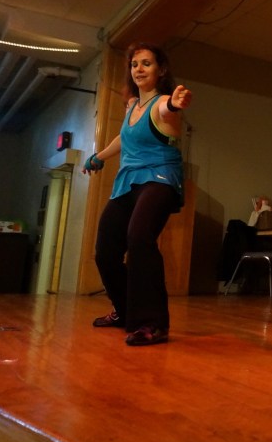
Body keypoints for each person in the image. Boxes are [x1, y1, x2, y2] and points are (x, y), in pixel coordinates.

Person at [82, 42, 192, 346]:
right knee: (106, 251)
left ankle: (152, 323)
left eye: (146, 63)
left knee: (140, 238)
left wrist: (176, 104)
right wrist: (99, 157)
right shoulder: (132, 106)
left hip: (159, 179)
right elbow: (124, 136)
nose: (139, 69)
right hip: (127, 182)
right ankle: (124, 310)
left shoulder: (163, 101)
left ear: (161, 69)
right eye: (134, 64)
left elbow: (168, 110)